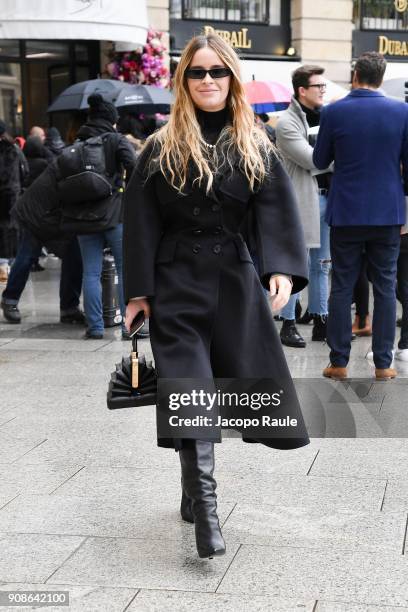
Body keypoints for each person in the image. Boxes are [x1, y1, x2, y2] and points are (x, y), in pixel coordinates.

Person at [123, 33, 309, 560]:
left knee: (220, 391)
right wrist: (138, 292)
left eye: (217, 71)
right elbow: (140, 221)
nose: (207, 80)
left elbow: (275, 209)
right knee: (189, 390)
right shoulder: (160, 146)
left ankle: (191, 492)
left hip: (233, 282)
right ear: (183, 81)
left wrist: (282, 270)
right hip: (176, 283)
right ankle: (207, 511)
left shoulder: (254, 141)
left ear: (232, 78)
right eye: (196, 72)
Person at [313, 51, 408, 380]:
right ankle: (383, 364)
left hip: (347, 211)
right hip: (387, 211)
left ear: (355, 75)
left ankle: (338, 362)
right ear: (381, 78)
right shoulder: (402, 111)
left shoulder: (334, 111)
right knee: (385, 286)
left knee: (341, 285)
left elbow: (320, 158)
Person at [276, 65, 332, 348]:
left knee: (322, 264)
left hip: (327, 197)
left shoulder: (328, 117)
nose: (324, 90)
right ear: (302, 90)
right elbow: (312, 160)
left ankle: (321, 319)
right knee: (296, 264)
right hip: (301, 201)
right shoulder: (287, 122)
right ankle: (288, 323)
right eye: (318, 86)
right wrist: (339, 157)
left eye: (324, 86)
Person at [75, 94, 137, 339]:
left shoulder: (78, 140)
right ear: (112, 120)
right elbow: (134, 165)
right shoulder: (116, 140)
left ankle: (95, 327)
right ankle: (128, 326)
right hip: (115, 215)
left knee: (90, 272)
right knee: (124, 270)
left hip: (84, 216)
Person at [0, 120, 28, 284]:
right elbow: (25, 171)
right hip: (12, 196)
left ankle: (3, 265)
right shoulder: (15, 149)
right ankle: (9, 265)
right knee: (11, 230)